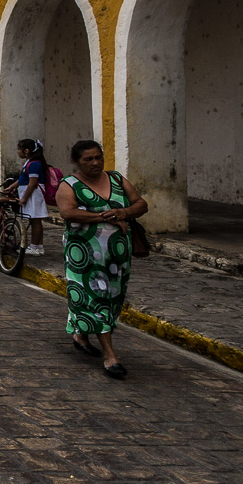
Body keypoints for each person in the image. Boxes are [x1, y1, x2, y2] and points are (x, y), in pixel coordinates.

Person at [55, 139, 148, 379]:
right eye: (88, 159)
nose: (95, 163)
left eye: (98, 157)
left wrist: (124, 212)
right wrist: (105, 217)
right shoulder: (70, 185)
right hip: (84, 257)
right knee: (97, 299)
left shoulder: (116, 179)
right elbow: (67, 212)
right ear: (77, 162)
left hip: (118, 257)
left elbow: (141, 203)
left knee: (113, 298)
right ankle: (110, 355)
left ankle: (81, 334)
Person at [5, 138, 51, 256]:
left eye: (19, 149)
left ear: (26, 151)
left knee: (35, 220)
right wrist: (12, 187)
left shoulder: (34, 164)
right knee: (33, 219)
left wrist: (24, 198)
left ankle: (35, 246)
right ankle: (38, 246)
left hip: (33, 195)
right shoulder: (29, 162)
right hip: (30, 194)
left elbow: (32, 183)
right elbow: (22, 180)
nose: (17, 152)